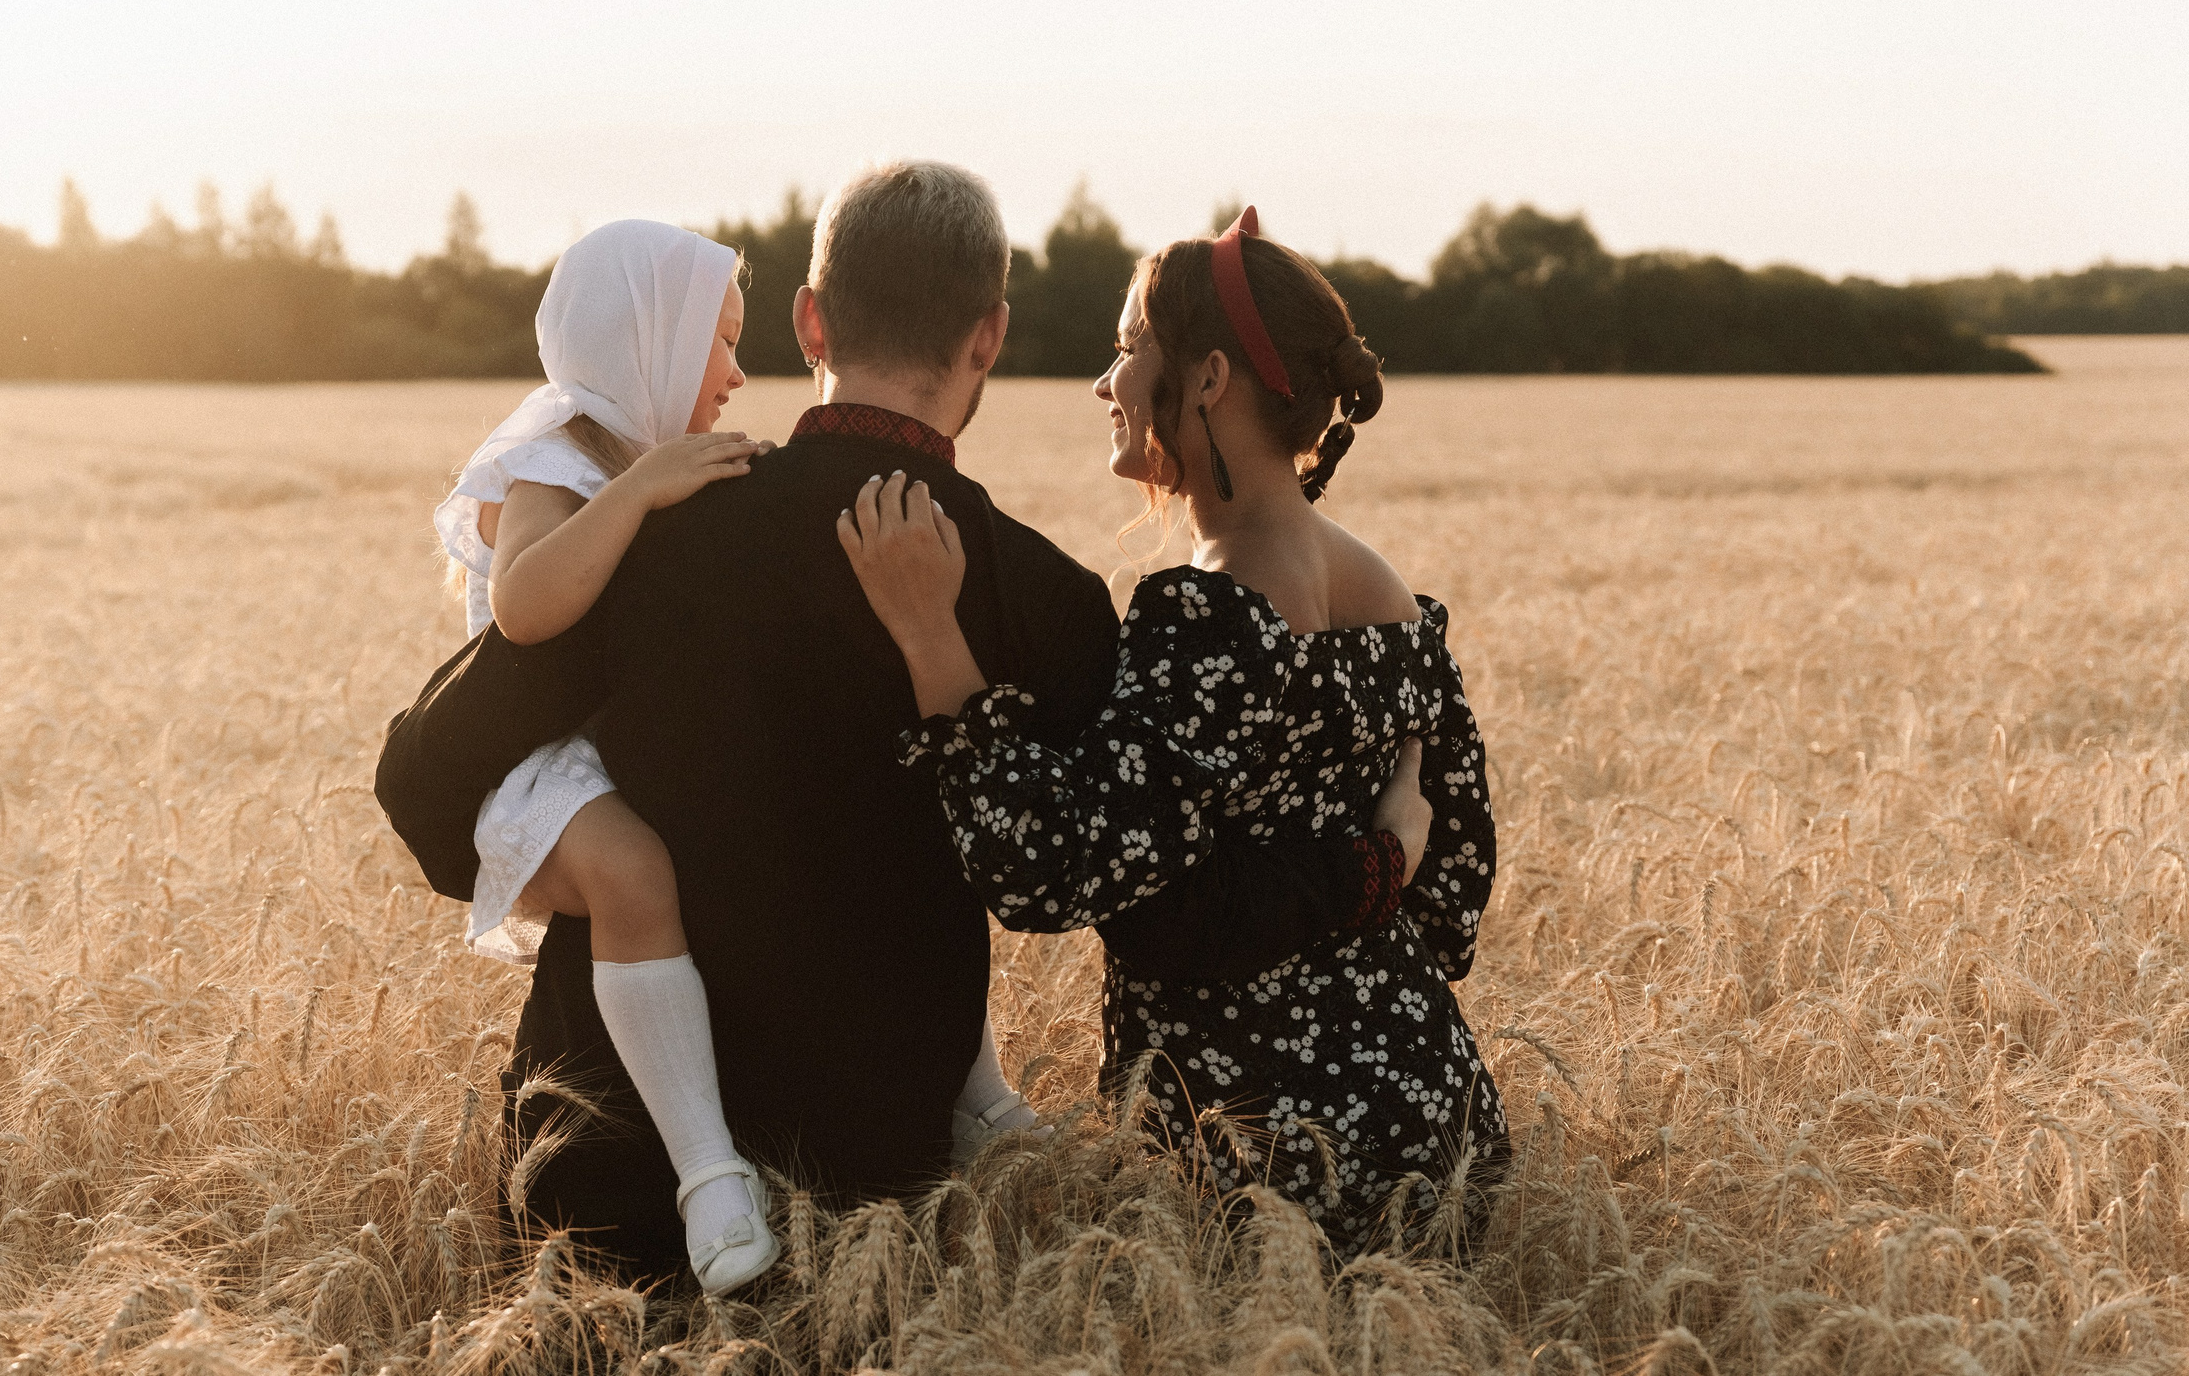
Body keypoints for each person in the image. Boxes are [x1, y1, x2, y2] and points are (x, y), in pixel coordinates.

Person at [373, 165, 1401, 1282]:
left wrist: (576, 871)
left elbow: (424, 776)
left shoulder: (648, 534)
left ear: (810, 318)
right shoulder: (1044, 601)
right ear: (989, 338)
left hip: (601, 1166)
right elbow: (1158, 894)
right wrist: (1373, 858)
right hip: (872, 1199)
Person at [839, 207, 1507, 1256]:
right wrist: (1368, 878)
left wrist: (932, 639)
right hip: (1441, 1120)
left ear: (1205, 380)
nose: (1105, 386)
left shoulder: (1211, 613)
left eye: (1124, 350)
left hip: (1264, 1158)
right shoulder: (1397, 610)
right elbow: (1454, 887)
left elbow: (1050, 871)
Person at [429, 218, 784, 1290]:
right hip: (534, 773)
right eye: (717, 342)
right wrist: (639, 493)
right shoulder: (561, 453)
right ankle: (708, 1177)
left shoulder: (640, 454)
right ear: (647, 343)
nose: (735, 371)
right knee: (635, 870)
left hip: (600, 752)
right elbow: (524, 606)